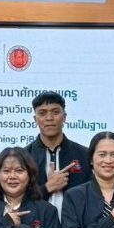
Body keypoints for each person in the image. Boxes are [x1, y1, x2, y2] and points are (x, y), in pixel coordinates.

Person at [26, 91, 91, 220]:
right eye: (42, 113)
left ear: (64, 117)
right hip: (35, 227)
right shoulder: (24, 157)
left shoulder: (84, 155)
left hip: (77, 227)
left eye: (55, 112)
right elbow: (16, 199)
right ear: (35, 119)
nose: (49, 118)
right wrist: (46, 188)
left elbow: (94, 195)